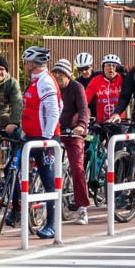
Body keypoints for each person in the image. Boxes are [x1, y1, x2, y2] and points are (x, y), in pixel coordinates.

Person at [16, 46, 60, 239]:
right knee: (19, 172)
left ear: (32, 63)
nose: (24, 65)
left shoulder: (45, 82)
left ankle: (52, 224)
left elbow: (54, 111)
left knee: (49, 181)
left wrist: (47, 139)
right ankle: (15, 211)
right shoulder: (36, 81)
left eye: (26, 62)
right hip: (32, 137)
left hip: (44, 140)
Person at [51, 58, 91, 225]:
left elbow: (84, 109)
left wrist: (81, 125)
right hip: (55, 132)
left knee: (77, 167)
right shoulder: (51, 88)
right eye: (56, 72)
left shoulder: (77, 87)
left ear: (68, 75)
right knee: (47, 165)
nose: (58, 76)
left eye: (61, 73)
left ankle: (82, 208)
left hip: (73, 132)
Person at [84, 55, 123, 125]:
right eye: (108, 65)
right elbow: (85, 100)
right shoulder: (95, 81)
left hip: (120, 122)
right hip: (101, 123)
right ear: (103, 68)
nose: (111, 67)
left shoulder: (123, 80)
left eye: (114, 65)